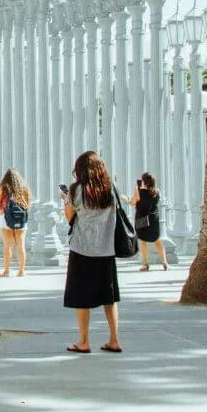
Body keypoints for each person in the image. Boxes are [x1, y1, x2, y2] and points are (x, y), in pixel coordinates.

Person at [62, 150, 122, 354]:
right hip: (106, 250)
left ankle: (84, 341)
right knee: (109, 298)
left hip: (82, 250)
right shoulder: (110, 190)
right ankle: (114, 339)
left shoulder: (76, 190)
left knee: (81, 299)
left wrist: (65, 200)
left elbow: (69, 217)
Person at [0, 169, 31, 277]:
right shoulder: (24, 188)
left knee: (7, 246)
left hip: (5, 219)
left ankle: (6, 271)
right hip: (21, 218)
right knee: (21, 245)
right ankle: (22, 270)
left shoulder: (3, 188)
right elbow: (28, 204)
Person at [130, 172, 168, 271]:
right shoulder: (157, 191)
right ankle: (164, 262)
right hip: (153, 219)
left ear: (144, 181)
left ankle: (145, 264)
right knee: (157, 240)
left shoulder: (139, 191)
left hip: (142, 218)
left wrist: (135, 191)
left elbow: (132, 203)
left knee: (143, 241)